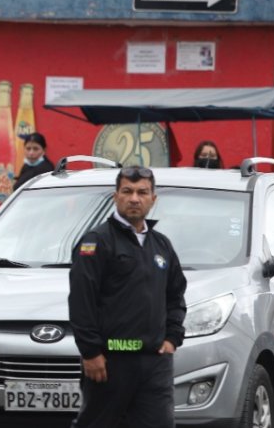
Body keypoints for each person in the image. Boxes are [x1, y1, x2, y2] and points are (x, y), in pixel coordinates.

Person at [68, 165, 187, 428]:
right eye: (128, 191)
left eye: (142, 192)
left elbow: (175, 295)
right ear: (116, 196)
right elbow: (81, 300)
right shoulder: (96, 241)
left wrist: (171, 338)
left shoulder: (162, 245)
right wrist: (91, 352)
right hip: (110, 362)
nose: (135, 198)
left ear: (153, 199)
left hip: (155, 363)